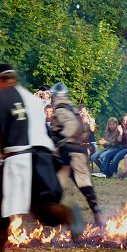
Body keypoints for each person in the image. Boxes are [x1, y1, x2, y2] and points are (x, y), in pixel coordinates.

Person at [0, 64, 84, 252]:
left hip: (19, 159)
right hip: (44, 159)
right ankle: (68, 214)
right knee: (43, 209)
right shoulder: (33, 100)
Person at [48, 82, 102, 226]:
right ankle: (98, 216)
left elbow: (71, 127)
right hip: (77, 153)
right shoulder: (73, 109)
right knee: (85, 186)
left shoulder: (60, 110)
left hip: (67, 154)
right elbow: (83, 131)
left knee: (55, 186)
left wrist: (59, 139)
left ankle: (59, 217)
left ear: (55, 97)